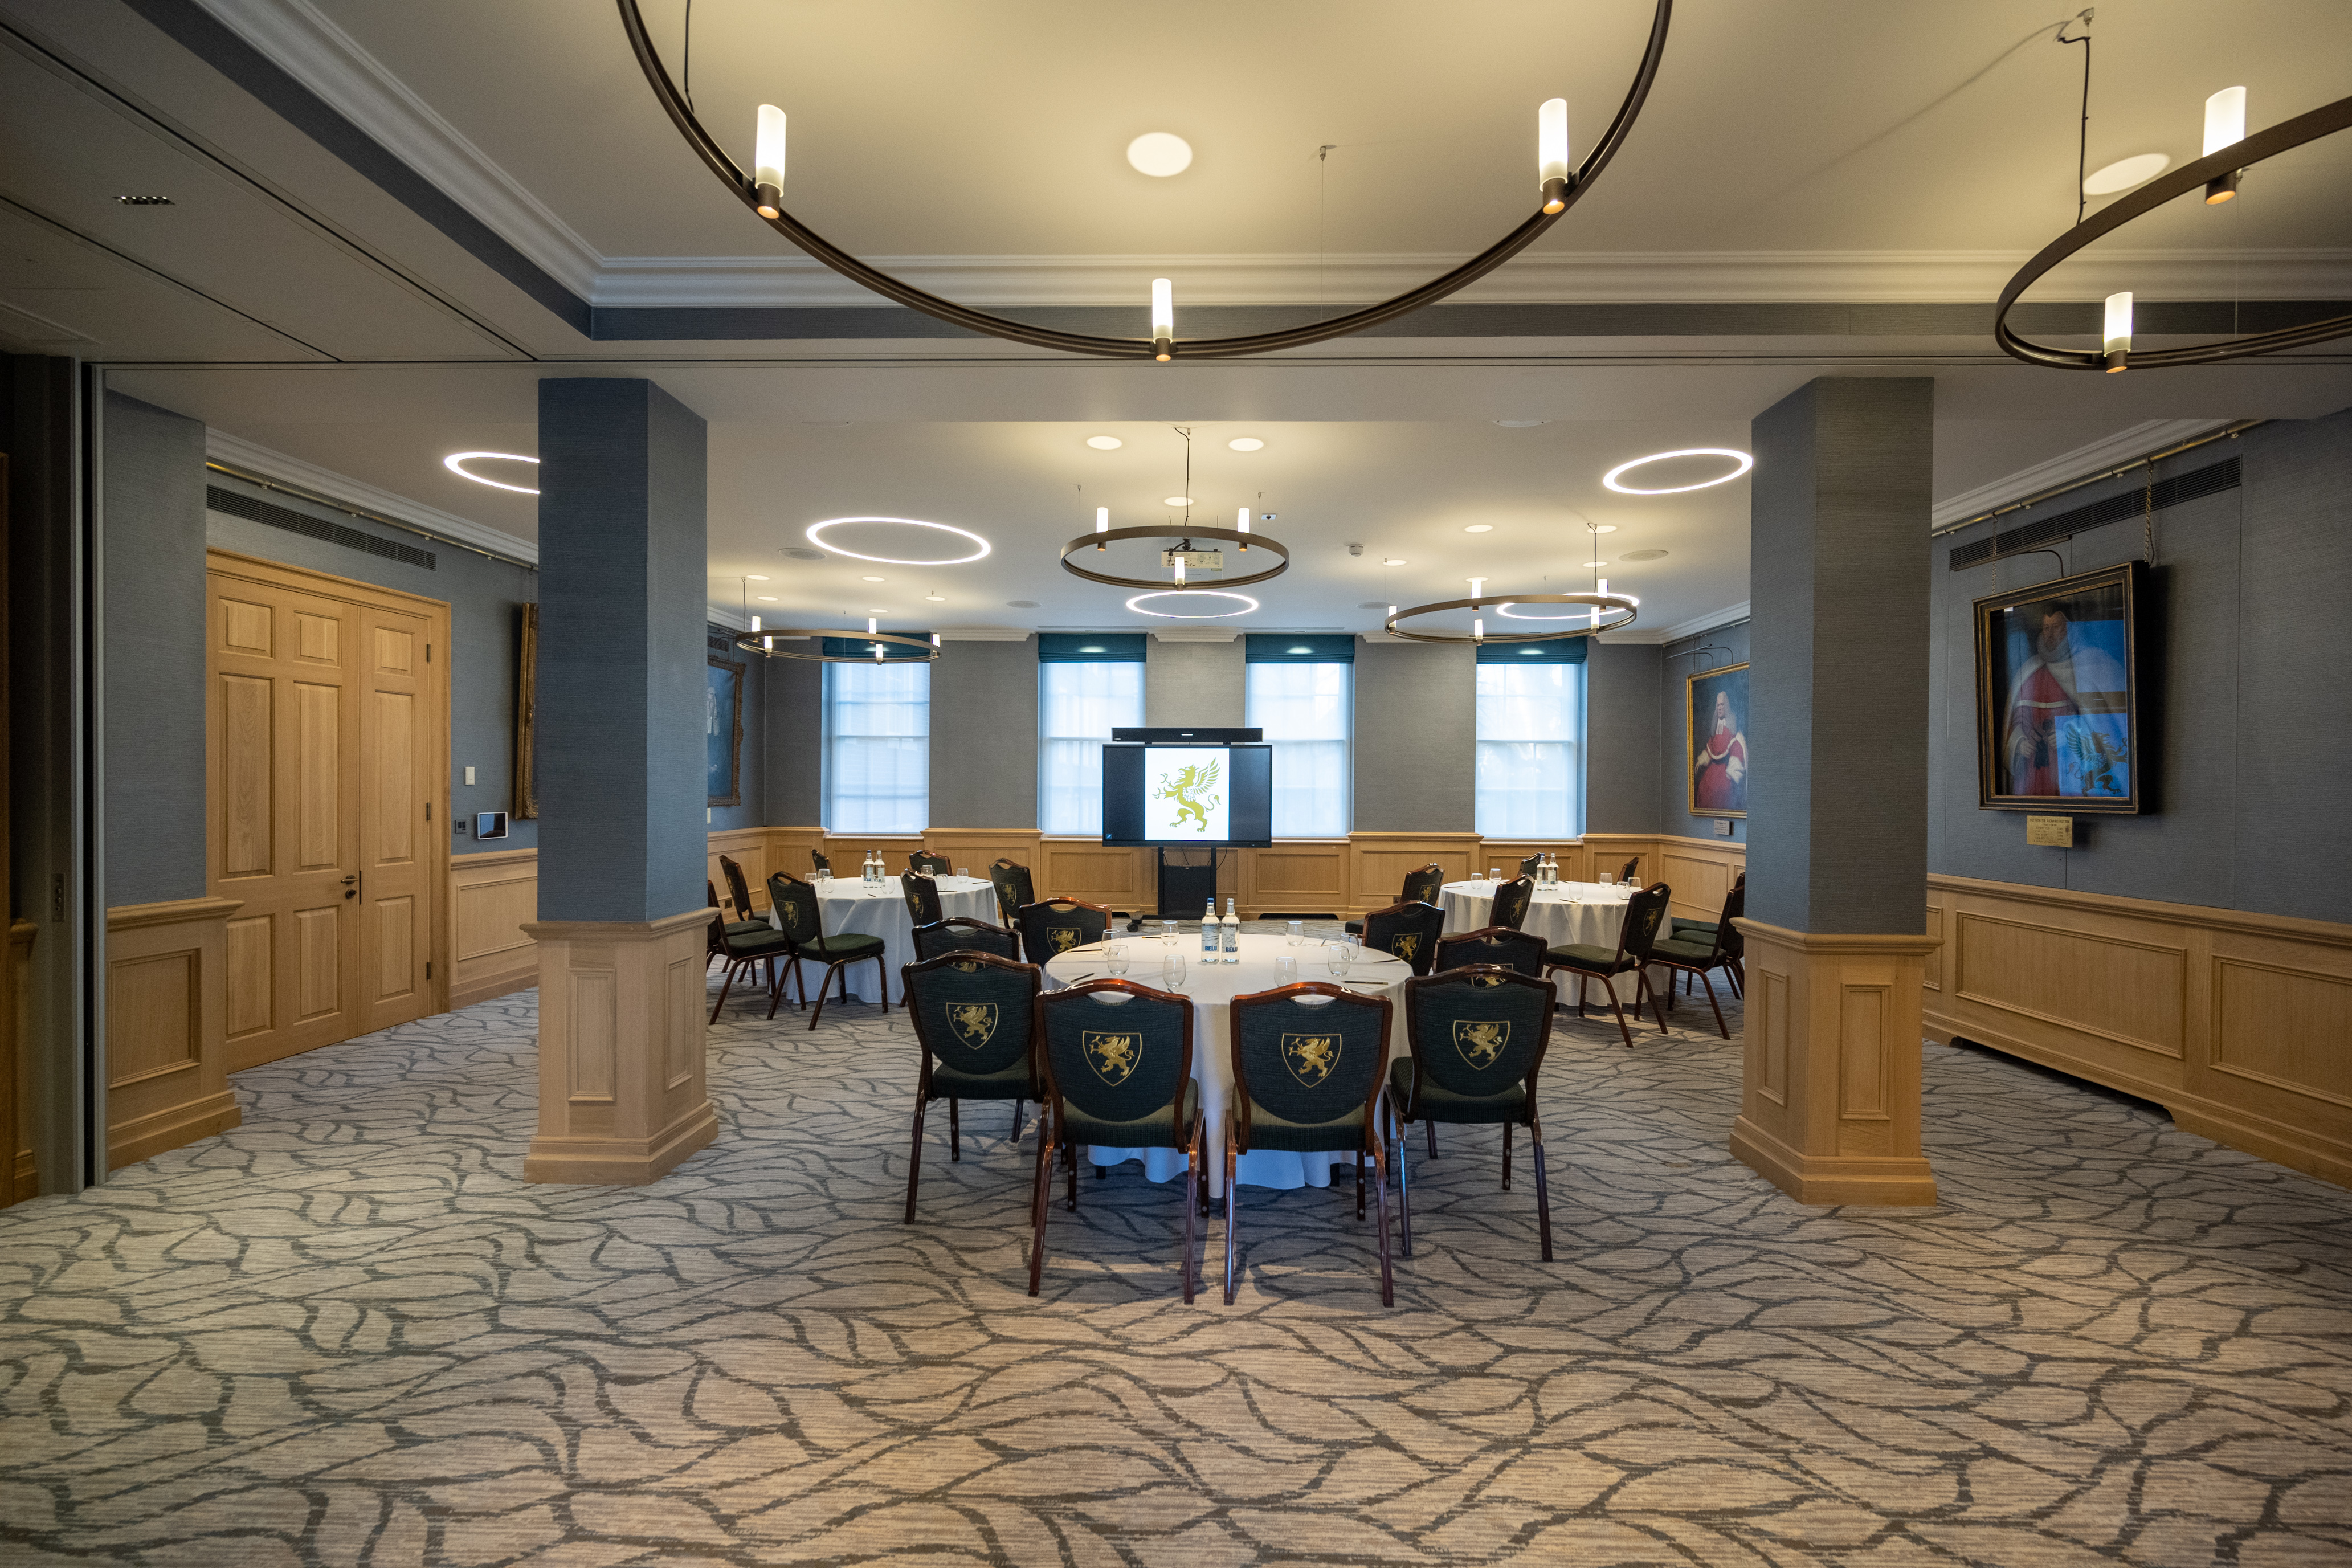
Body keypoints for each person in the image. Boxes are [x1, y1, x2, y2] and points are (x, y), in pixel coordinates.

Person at [2001, 600, 2128, 795]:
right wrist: (2019, 743)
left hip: (2074, 776)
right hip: (2033, 777)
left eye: (2056, 627)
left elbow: (2109, 727)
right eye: (2046, 628)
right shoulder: (2028, 673)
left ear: (2070, 629)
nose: (2050, 633)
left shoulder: (2095, 665)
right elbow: (2018, 721)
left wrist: (2070, 737)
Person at [1693, 688, 1746, 811]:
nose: (1720, 708)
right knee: (1704, 787)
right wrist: (1702, 760)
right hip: (1712, 770)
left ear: (1726, 706)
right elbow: (1711, 748)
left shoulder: (1731, 729)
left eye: (1722, 705)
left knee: (1722, 790)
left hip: (1725, 771)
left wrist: (1733, 772)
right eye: (1718, 705)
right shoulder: (1716, 727)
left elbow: (1736, 747)